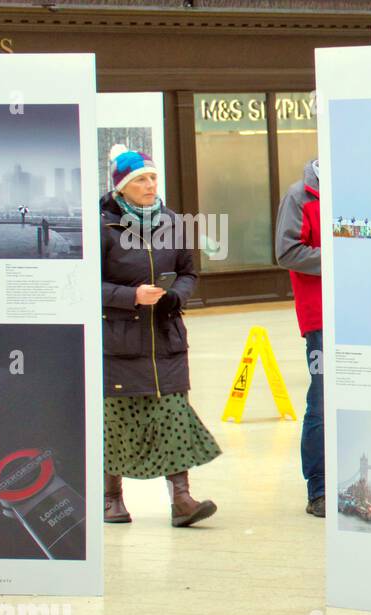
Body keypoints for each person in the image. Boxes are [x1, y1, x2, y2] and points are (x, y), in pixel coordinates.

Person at [100, 145, 220, 527]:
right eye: (141, 180)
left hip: (166, 336)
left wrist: (175, 295)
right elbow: (84, 284)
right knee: (116, 420)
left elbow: (188, 271)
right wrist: (130, 297)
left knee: (174, 415)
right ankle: (111, 499)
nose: (151, 184)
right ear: (122, 188)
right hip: (120, 341)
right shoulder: (103, 226)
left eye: (153, 177)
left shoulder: (173, 222)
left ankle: (181, 499)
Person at [275, 159, 325, 518]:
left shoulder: (363, 189)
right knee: (322, 400)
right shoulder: (299, 196)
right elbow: (287, 251)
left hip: (366, 314)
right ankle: (319, 489)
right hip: (322, 316)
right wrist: (342, 259)